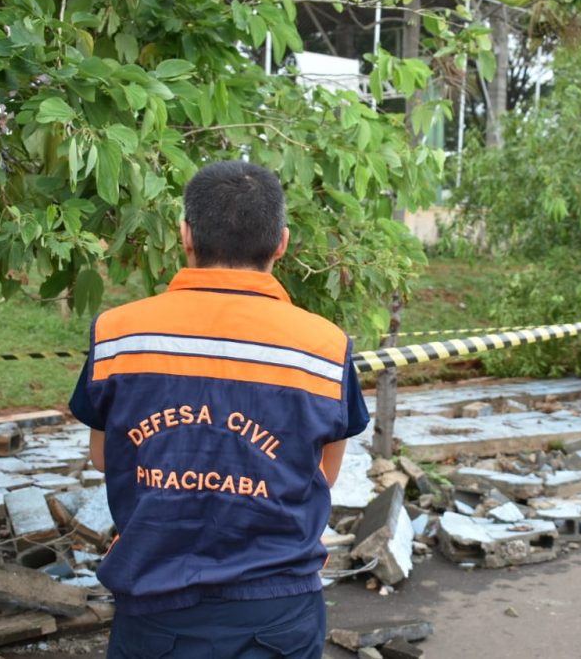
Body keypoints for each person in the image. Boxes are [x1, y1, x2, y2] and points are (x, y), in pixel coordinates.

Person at [69, 160, 370, 658]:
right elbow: (324, 472)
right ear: (281, 243)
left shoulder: (120, 334)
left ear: (185, 235)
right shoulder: (323, 347)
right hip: (277, 614)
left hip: (154, 609)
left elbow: (105, 457)